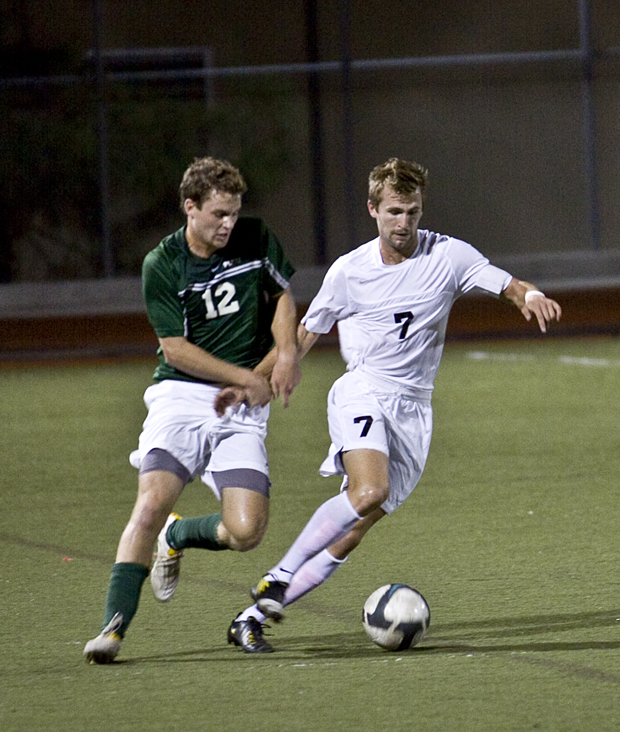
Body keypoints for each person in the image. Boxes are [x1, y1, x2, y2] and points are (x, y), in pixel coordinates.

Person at [218, 158, 561, 651]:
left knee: (353, 531)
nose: (405, 223)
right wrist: (256, 380)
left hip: (414, 411)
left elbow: (508, 285)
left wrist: (531, 296)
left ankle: (251, 616)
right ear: (373, 210)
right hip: (363, 391)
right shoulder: (350, 271)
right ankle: (278, 577)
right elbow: (303, 334)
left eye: (413, 212)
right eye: (395, 212)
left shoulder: (449, 256)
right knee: (369, 490)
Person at [84, 157, 301, 663]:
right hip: (181, 395)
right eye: (219, 214)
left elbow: (284, 296)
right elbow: (175, 349)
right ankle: (112, 630)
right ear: (190, 208)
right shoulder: (162, 263)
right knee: (151, 501)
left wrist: (286, 353)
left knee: (246, 532)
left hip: (240, 407)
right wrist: (247, 376)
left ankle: (179, 535)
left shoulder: (255, 236)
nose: (229, 223)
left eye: (234, 212)